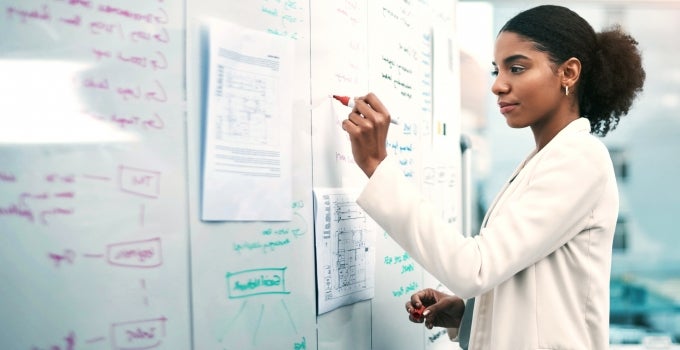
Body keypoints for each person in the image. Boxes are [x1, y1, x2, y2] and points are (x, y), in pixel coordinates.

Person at [341, 4, 645, 350]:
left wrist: (378, 166)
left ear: (569, 73)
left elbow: (475, 268)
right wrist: (470, 314)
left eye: (516, 68)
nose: (498, 86)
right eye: (496, 71)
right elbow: (530, 291)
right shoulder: (547, 159)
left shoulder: (579, 159)